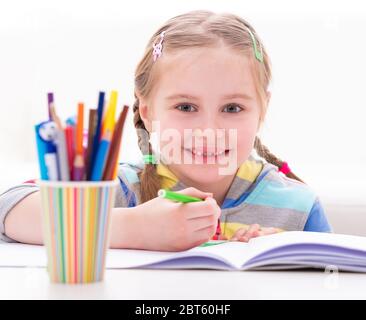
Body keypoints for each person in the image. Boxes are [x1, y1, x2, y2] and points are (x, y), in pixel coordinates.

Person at [0, 10, 332, 252]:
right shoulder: (122, 191)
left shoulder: (299, 208)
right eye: (186, 107)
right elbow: (8, 207)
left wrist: (287, 255)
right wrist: (134, 228)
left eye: (232, 109)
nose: (209, 130)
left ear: (262, 111)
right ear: (147, 111)